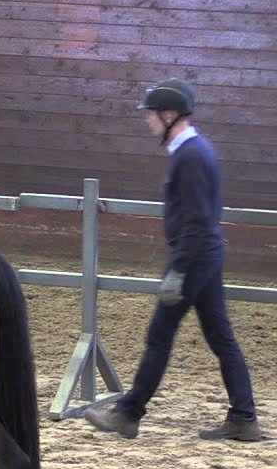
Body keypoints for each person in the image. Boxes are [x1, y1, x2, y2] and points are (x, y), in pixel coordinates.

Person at [84, 78, 263, 442]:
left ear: (169, 116)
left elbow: (196, 220)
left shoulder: (192, 155)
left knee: (159, 337)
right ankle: (244, 417)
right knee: (221, 337)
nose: (148, 121)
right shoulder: (193, 151)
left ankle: (129, 414)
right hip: (205, 255)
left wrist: (178, 271)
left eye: (151, 115)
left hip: (194, 258)